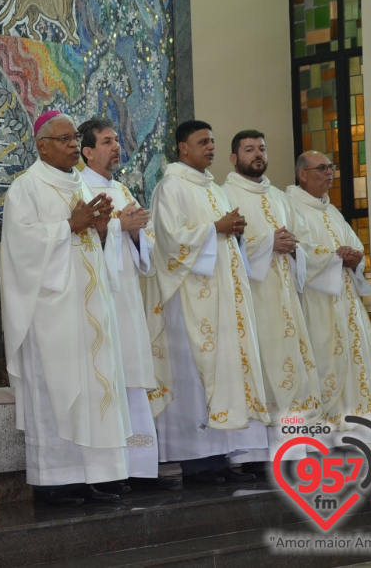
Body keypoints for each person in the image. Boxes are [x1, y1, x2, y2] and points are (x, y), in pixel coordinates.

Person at [1, 110, 131, 507]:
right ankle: (56, 481)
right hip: (51, 311)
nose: (74, 144)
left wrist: (103, 229)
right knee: (58, 392)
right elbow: (19, 248)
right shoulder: (26, 188)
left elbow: (97, 246)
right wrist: (69, 226)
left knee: (95, 390)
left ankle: (96, 475)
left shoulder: (82, 185)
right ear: (41, 146)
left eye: (75, 137)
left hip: (90, 304)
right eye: (64, 139)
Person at [147, 120, 270, 485]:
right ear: (183, 148)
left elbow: (226, 236)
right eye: (203, 142)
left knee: (225, 374)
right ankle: (196, 461)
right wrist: (216, 229)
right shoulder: (171, 186)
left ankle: (221, 458)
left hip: (224, 297)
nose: (211, 148)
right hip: (190, 301)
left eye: (213, 141)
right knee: (194, 381)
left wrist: (233, 231)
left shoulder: (213, 188)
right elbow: (168, 241)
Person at [78, 117, 179, 492]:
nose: (116, 147)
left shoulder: (121, 189)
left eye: (117, 140)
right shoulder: (80, 188)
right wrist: (119, 226)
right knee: (110, 381)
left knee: (133, 381)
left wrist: (135, 232)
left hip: (127, 298)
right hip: (100, 299)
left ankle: (140, 468)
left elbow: (143, 250)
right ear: (87, 151)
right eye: (106, 141)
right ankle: (113, 470)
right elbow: (87, 236)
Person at [221, 131, 322, 471]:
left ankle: (292, 451)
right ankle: (253, 455)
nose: (257, 155)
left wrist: (293, 248)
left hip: (284, 300)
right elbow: (226, 250)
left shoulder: (280, 197)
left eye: (261, 148)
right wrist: (268, 244)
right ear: (234, 158)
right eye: (249, 150)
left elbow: (301, 245)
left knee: (292, 372)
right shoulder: (224, 195)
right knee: (260, 372)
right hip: (253, 302)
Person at [286, 150, 371, 430]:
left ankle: (358, 429)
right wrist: (334, 258)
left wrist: (354, 259)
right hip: (317, 302)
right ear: (302, 174)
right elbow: (296, 250)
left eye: (331, 167)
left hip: (346, 301)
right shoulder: (290, 206)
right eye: (322, 168)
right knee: (326, 363)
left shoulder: (330, 209)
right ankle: (326, 434)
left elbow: (356, 249)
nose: (329, 173)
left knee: (359, 363)